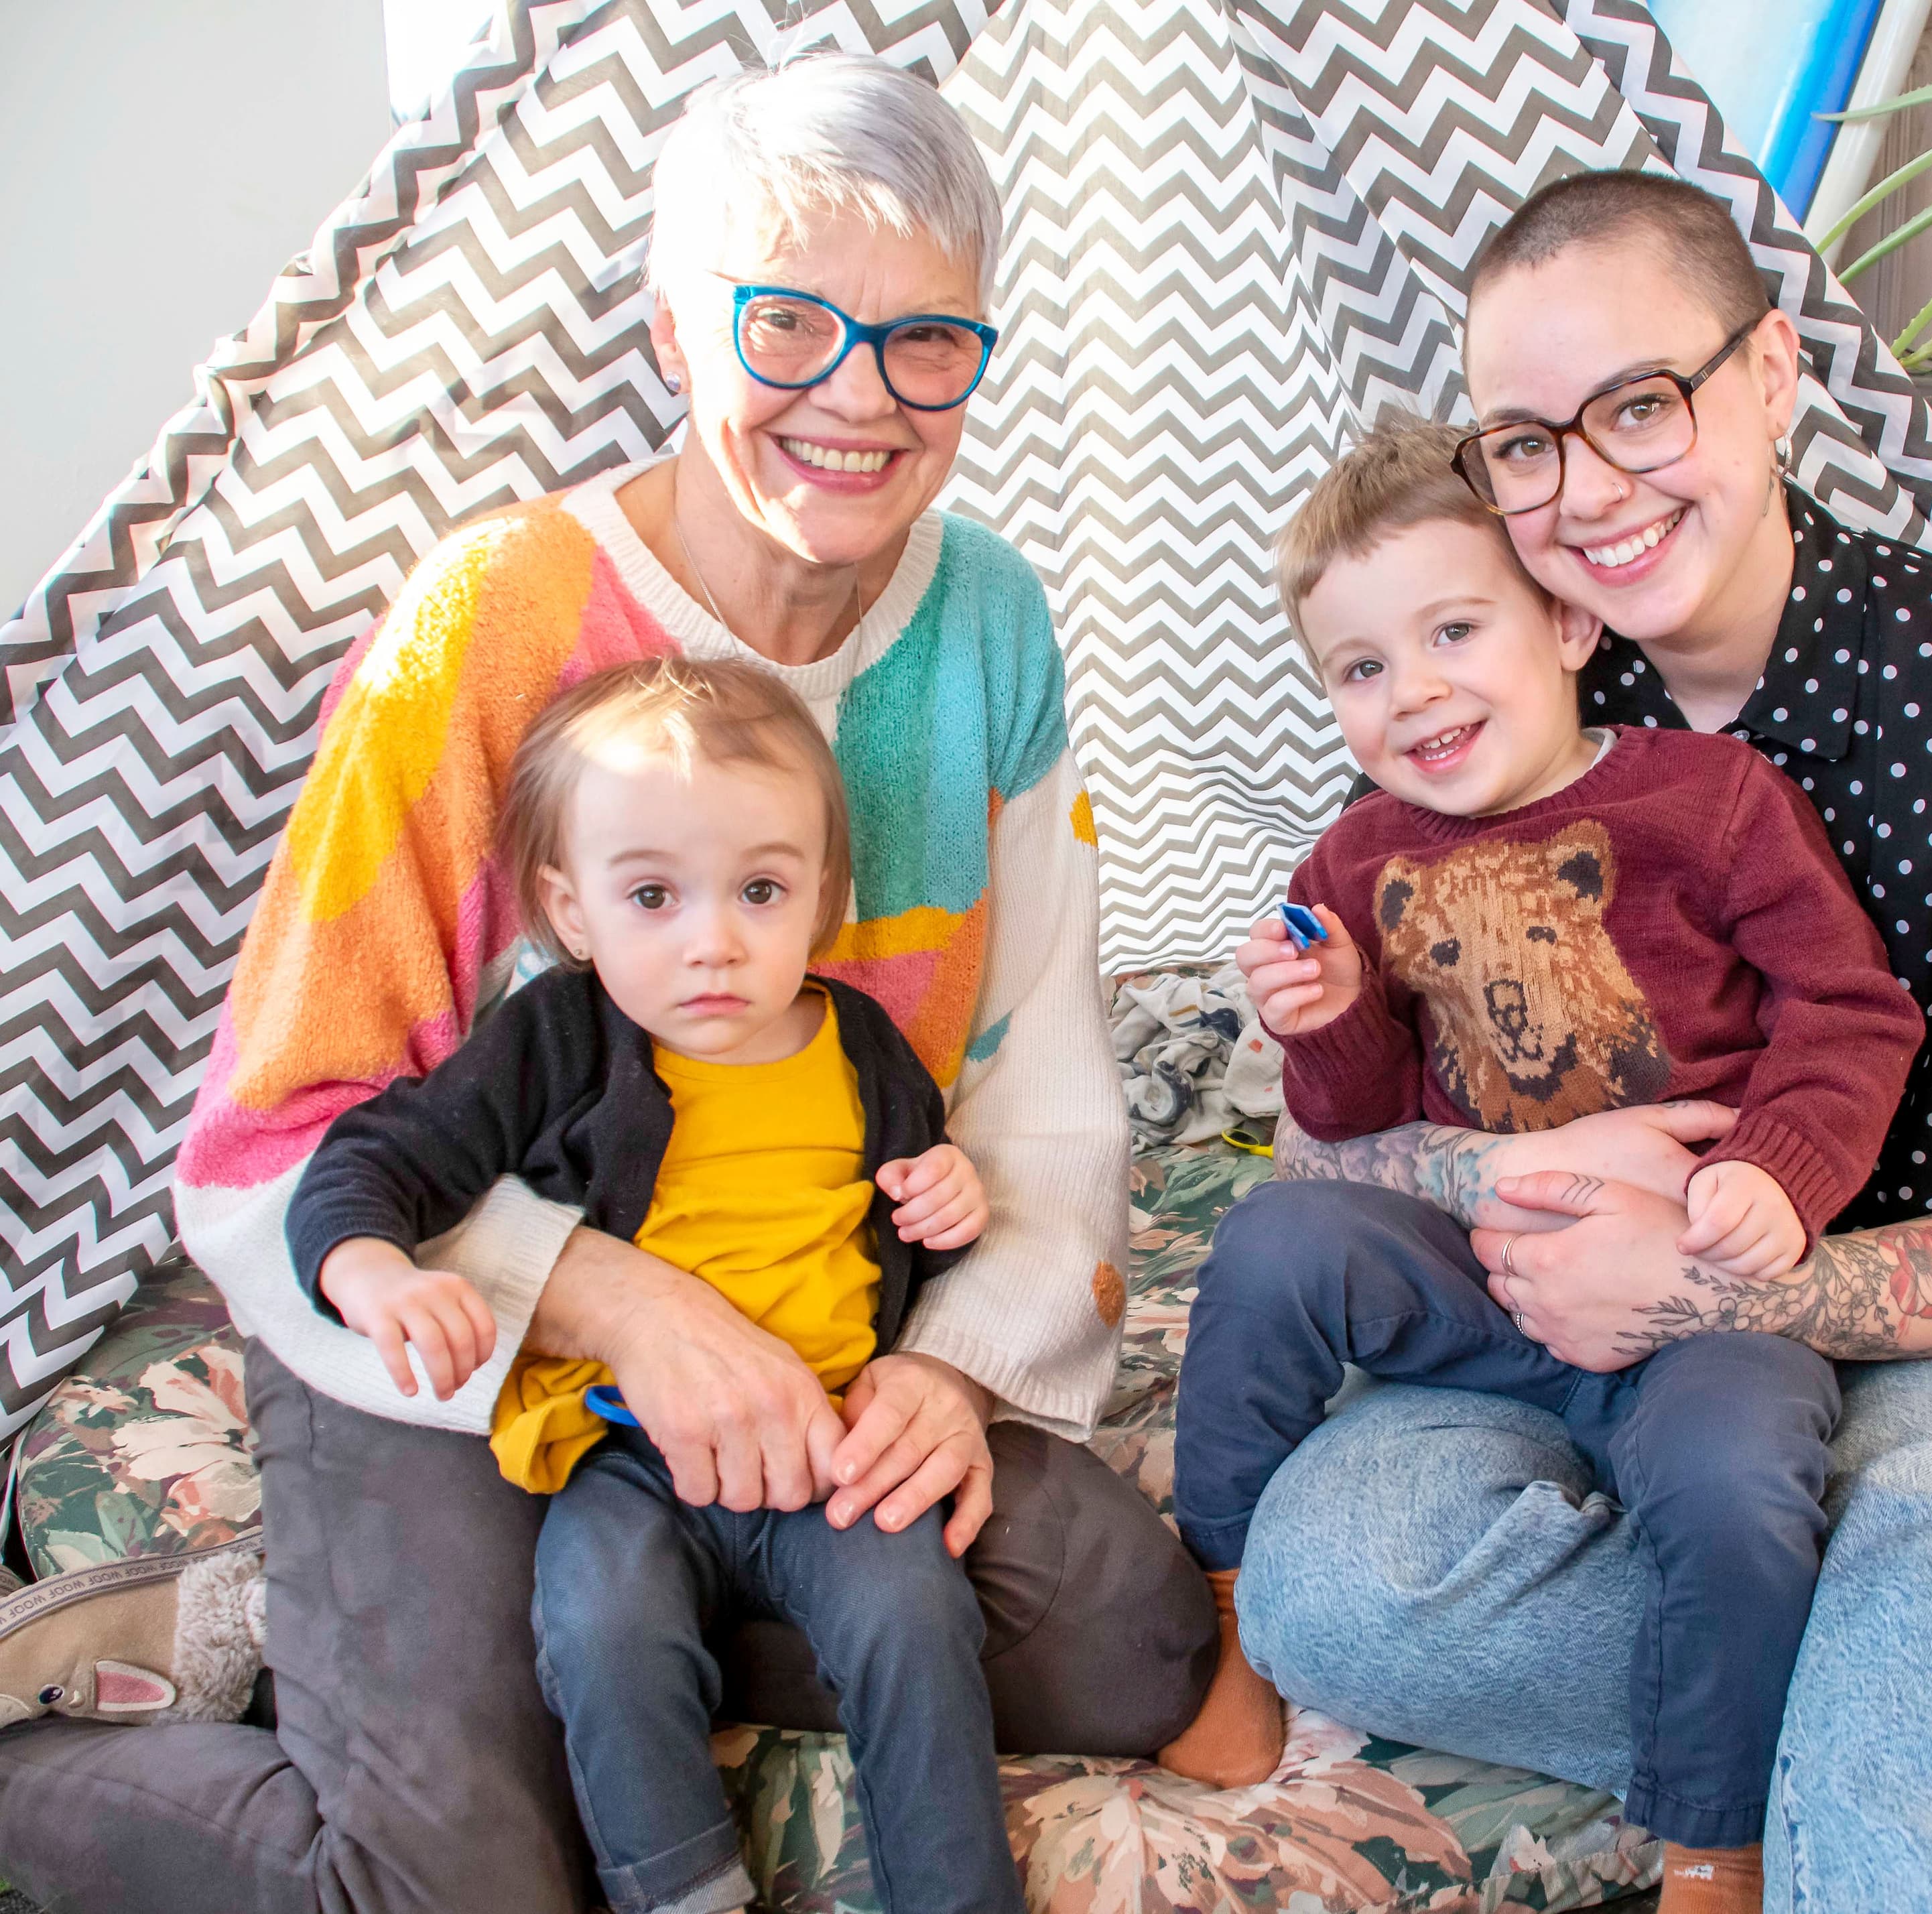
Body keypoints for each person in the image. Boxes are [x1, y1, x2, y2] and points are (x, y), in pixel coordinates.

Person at [0, 55, 1211, 1914]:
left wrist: (959, 1370)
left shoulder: (992, 621)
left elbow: (1040, 1072)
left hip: (814, 1311)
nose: (857, 401)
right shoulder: (486, 623)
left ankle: (505, 1654)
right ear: (672, 329)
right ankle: (183, 1710)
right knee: (461, 1883)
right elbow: (273, 1144)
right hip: (463, 1342)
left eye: (924, 342)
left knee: (1128, 1635)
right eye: (788, 326)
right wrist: (613, 1301)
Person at [1218, 172, 1932, 1913]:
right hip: (1546, 1305)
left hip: (1914, 1323)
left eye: (1640, 406)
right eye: (1526, 440)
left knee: (1919, 1735)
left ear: (1769, 377)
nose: (1586, 490)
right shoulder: (1491, 672)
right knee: (1329, 1586)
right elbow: (1338, 1136)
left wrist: (1706, 1280)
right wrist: (1520, 1172)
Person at [1159, 416, 1925, 1911]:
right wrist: (1325, 1023)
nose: (1416, 690)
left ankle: (1714, 1837)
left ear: (1567, 620)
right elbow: (1359, 1116)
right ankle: (1223, 1607)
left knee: (1733, 1475)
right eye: (1362, 667)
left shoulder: (1708, 802)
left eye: (1456, 630)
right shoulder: (1356, 858)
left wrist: (1778, 1174)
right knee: (1266, 1246)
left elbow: (1852, 1008)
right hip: (1482, 1285)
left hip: (1687, 1285)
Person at [293, 658, 1022, 1914]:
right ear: (572, 914)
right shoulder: (560, 1039)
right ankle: (684, 1891)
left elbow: (908, 1224)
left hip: (834, 1441)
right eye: (652, 897)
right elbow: (375, 1159)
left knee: (916, 1625)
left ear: (824, 898)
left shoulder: (865, 1047)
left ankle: (958, 1894)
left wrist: (952, 1200)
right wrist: (362, 1266)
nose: (714, 944)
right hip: (626, 1458)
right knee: (600, 1630)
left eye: (758, 891)